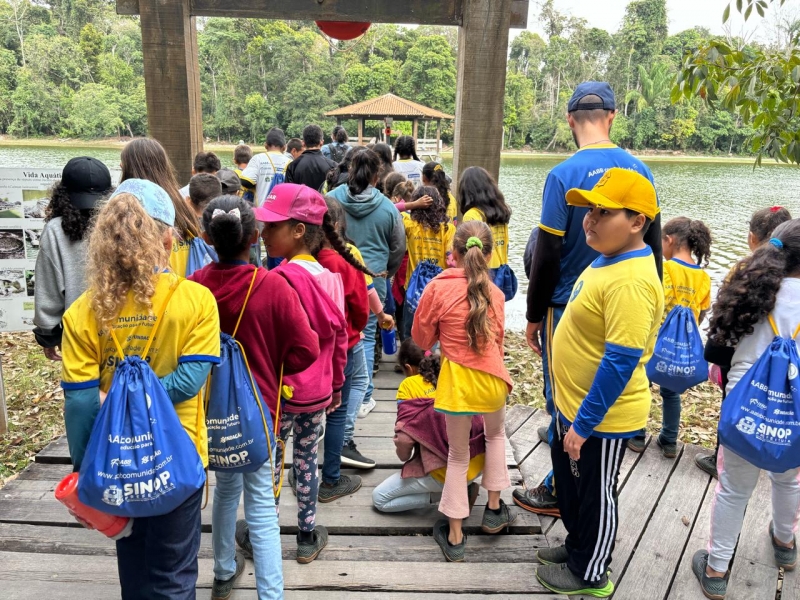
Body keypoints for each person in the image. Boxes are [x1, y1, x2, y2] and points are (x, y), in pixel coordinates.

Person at [61, 179, 220, 599]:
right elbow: (190, 382)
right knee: (173, 575)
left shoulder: (83, 311)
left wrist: (84, 472)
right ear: (167, 238)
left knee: (132, 569)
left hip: (115, 461)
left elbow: (79, 402)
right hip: (179, 458)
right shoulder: (197, 300)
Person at [516, 81, 662, 518]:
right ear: (612, 116)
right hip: (621, 309)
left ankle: (562, 487)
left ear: (569, 121)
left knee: (564, 395)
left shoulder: (563, 175)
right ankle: (572, 482)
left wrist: (533, 314)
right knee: (602, 388)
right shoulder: (639, 172)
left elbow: (547, 253)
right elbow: (652, 246)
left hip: (569, 306)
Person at [534, 168, 662, 597]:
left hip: (601, 417)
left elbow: (620, 361)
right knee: (572, 486)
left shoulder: (632, 281)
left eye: (603, 212)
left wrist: (584, 424)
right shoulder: (608, 257)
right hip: (573, 407)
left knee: (596, 494)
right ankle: (577, 547)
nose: (589, 220)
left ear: (637, 221)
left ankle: (592, 573)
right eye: (589, 209)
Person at [190, 195, 320, 599]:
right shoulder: (272, 287)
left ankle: (225, 567)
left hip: (212, 414)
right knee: (261, 504)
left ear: (209, 238)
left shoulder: (194, 288)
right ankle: (270, 593)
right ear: (254, 237)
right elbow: (307, 350)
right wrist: (273, 362)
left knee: (226, 488)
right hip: (260, 411)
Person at [692, 218, 800, 600]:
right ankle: (785, 544)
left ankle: (717, 569)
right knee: (788, 480)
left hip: (744, 411)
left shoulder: (749, 291)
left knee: (734, 489)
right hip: (795, 417)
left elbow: (715, 353)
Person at [248, 183, 348, 564]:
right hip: (318, 393)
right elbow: (339, 342)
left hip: (279, 396)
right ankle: (307, 533)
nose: (264, 234)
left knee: (272, 465)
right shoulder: (332, 280)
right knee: (308, 461)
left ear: (299, 230)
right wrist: (337, 385)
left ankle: (266, 535)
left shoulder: (276, 281)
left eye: (273, 227)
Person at [412, 220, 515, 562]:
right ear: (488, 255)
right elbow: (498, 341)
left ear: (452, 253)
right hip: (492, 382)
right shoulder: (496, 294)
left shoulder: (437, 288)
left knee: (458, 456)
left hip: (457, 384)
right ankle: (495, 508)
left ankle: (455, 535)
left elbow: (421, 341)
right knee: (495, 436)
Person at [694, 205, 793, 477]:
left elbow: (723, 327)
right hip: (789, 379)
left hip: (738, 367)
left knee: (735, 408)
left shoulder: (742, 271)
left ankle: (721, 457)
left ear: (752, 238)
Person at [315, 196, 387, 486]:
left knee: (309, 415)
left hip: (312, 349)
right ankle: (332, 478)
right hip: (344, 344)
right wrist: (355, 331)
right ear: (338, 225)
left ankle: (301, 473)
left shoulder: (302, 261)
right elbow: (360, 308)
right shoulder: (344, 261)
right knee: (338, 410)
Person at [328, 149, 406, 417]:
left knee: (333, 334)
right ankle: (365, 395)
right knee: (367, 333)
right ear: (377, 175)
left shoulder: (332, 199)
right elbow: (398, 247)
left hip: (333, 278)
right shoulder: (387, 208)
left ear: (350, 170)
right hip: (374, 280)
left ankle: (330, 389)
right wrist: (386, 271)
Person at [628, 217, 712, 458]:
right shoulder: (703, 278)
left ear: (669, 240)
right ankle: (669, 440)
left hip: (656, 338)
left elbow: (655, 303)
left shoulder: (664, 269)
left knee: (641, 384)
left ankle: (636, 434)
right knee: (671, 392)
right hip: (681, 345)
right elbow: (702, 312)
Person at [373, 339, 484, 513]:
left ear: (408, 368)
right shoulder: (451, 373)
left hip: (446, 472)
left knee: (380, 499)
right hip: (479, 463)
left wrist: (403, 456)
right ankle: (462, 487)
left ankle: (449, 495)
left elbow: (404, 440)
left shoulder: (408, 386)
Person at [33, 157, 112, 361]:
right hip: (124, 329)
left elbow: (48, 291)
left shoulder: (55, 231)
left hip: (78, 336)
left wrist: (49, 335)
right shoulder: (121, 226)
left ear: (62, 193)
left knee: (83, 391)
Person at [119, 138, 206, 278]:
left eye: (123, 165)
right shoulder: (183, 205)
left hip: (155, 290)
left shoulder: (131, 211)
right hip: (186, 287)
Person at [401, 186, 455, 338]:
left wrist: (412, 205)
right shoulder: (448, 228)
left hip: (413, 286)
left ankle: (410, 359)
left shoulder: (409, 224)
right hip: (439, 287)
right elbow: (450, 258)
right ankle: (429, 357)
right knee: (434, 331)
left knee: (410, 330)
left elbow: (389, 209)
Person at [458, 166, 512, 284]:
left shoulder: (472, 215)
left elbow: (470, 253)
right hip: (501, 272)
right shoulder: (501, 213)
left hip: (483, 274)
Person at [239, 128, 292, 206]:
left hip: (261, 213)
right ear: (284, 147)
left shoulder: (258, 159)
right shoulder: (291, 162)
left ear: (265, 145)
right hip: (282, 214)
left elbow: (246, 181)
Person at [285, 124, 337, 191]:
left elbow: (289, 192)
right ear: (321, 142)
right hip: (324, 201)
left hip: (301, 201)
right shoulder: (333, 166)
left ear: (303, 143)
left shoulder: (292, 166)